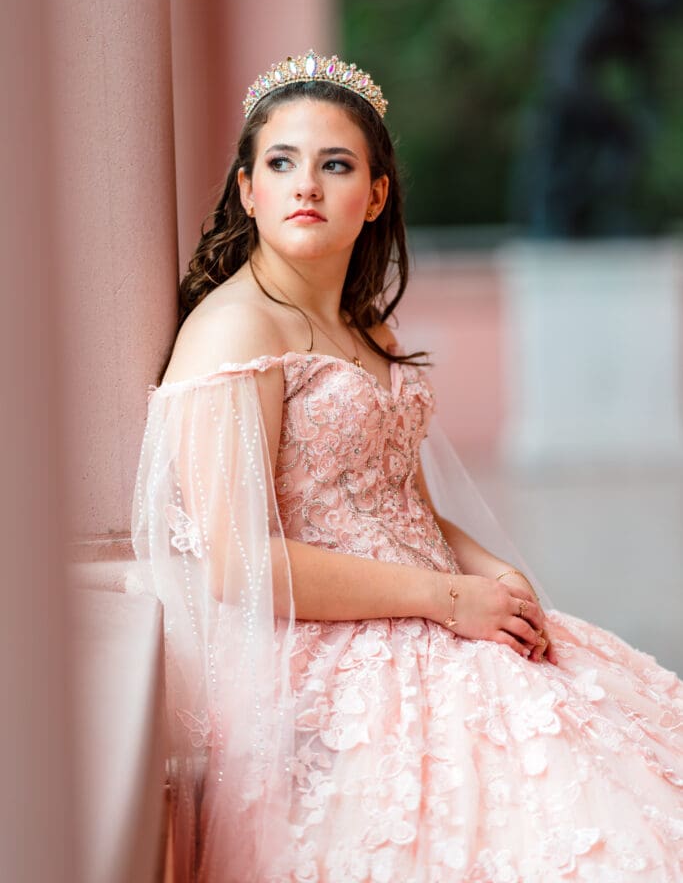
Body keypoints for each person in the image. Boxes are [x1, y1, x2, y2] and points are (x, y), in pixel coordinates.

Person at [132, 51, 683, 883]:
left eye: (335, 165)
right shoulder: (236, 332)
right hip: (331, 650)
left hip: (435, 611)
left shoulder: (368, 330)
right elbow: (234, 562)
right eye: (280, 164)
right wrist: (446, 597)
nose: (305, 186)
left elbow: (401, 505)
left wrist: (486, 566)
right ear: (248, 191)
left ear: (376, 194)